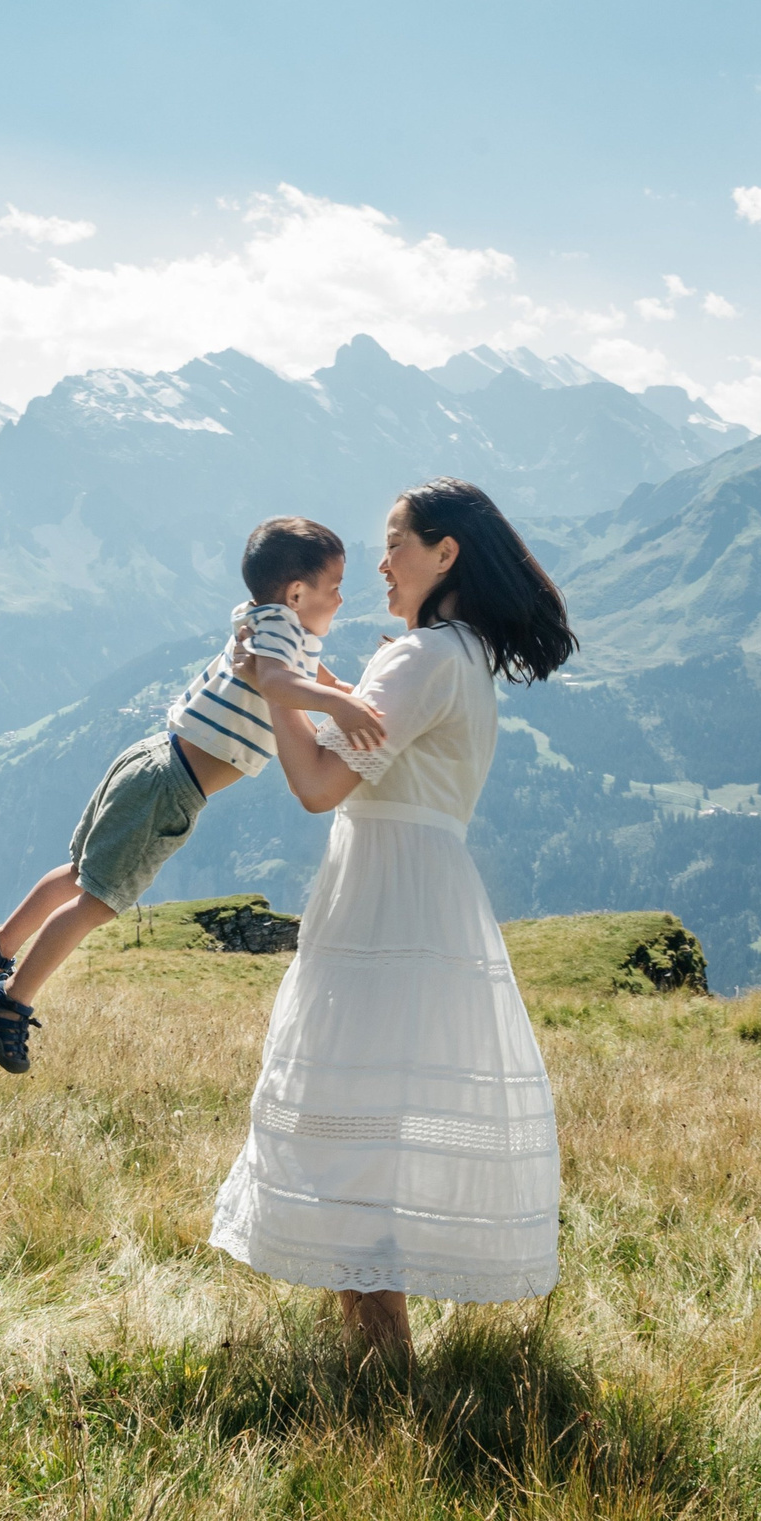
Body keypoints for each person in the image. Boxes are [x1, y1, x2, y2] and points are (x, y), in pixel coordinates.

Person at [207, 478, 578, 1364]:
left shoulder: (418, 656)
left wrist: (271, 683)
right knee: (378, 1117)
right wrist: (315, 681)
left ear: (445, 554)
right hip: (430, 892)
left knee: (354, 1120)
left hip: (380, 894)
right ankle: (382, 1355)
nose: (380, 562)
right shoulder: (462, 654)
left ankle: (382, 1366)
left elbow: (318, 786)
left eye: (396, 542)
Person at [0, 517, 385, 1074]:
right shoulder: (281, 632)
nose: (341, 598)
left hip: (152, 758)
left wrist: (342, 689)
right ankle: (10, 999)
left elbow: (305, 671)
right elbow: (281, 684)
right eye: (335, 586)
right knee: (99, 900)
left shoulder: (266, 620)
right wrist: (342, 708)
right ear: (297, 593)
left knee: (79, 871)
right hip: (170, 787)